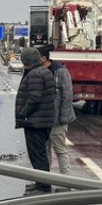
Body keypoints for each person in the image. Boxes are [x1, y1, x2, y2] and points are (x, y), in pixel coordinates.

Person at [15, 47, 56, 193]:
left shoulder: (35, 74)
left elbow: (35, 97)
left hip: (36, 121)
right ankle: (40, 182)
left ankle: (44, 186)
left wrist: (23, 113)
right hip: (42, 120)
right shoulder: (43, 71)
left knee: (37, 155)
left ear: (26, 60)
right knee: (40, 153)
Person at [38, 46, 75, 176]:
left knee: (60, 149)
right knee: (44, 150)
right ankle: (45, 180)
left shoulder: (60, 71)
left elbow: (67, 95)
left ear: (43, 58)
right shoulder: (38, 71)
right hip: (43, 119)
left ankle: (65, 181)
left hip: (57, 119)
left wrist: (63, 117)